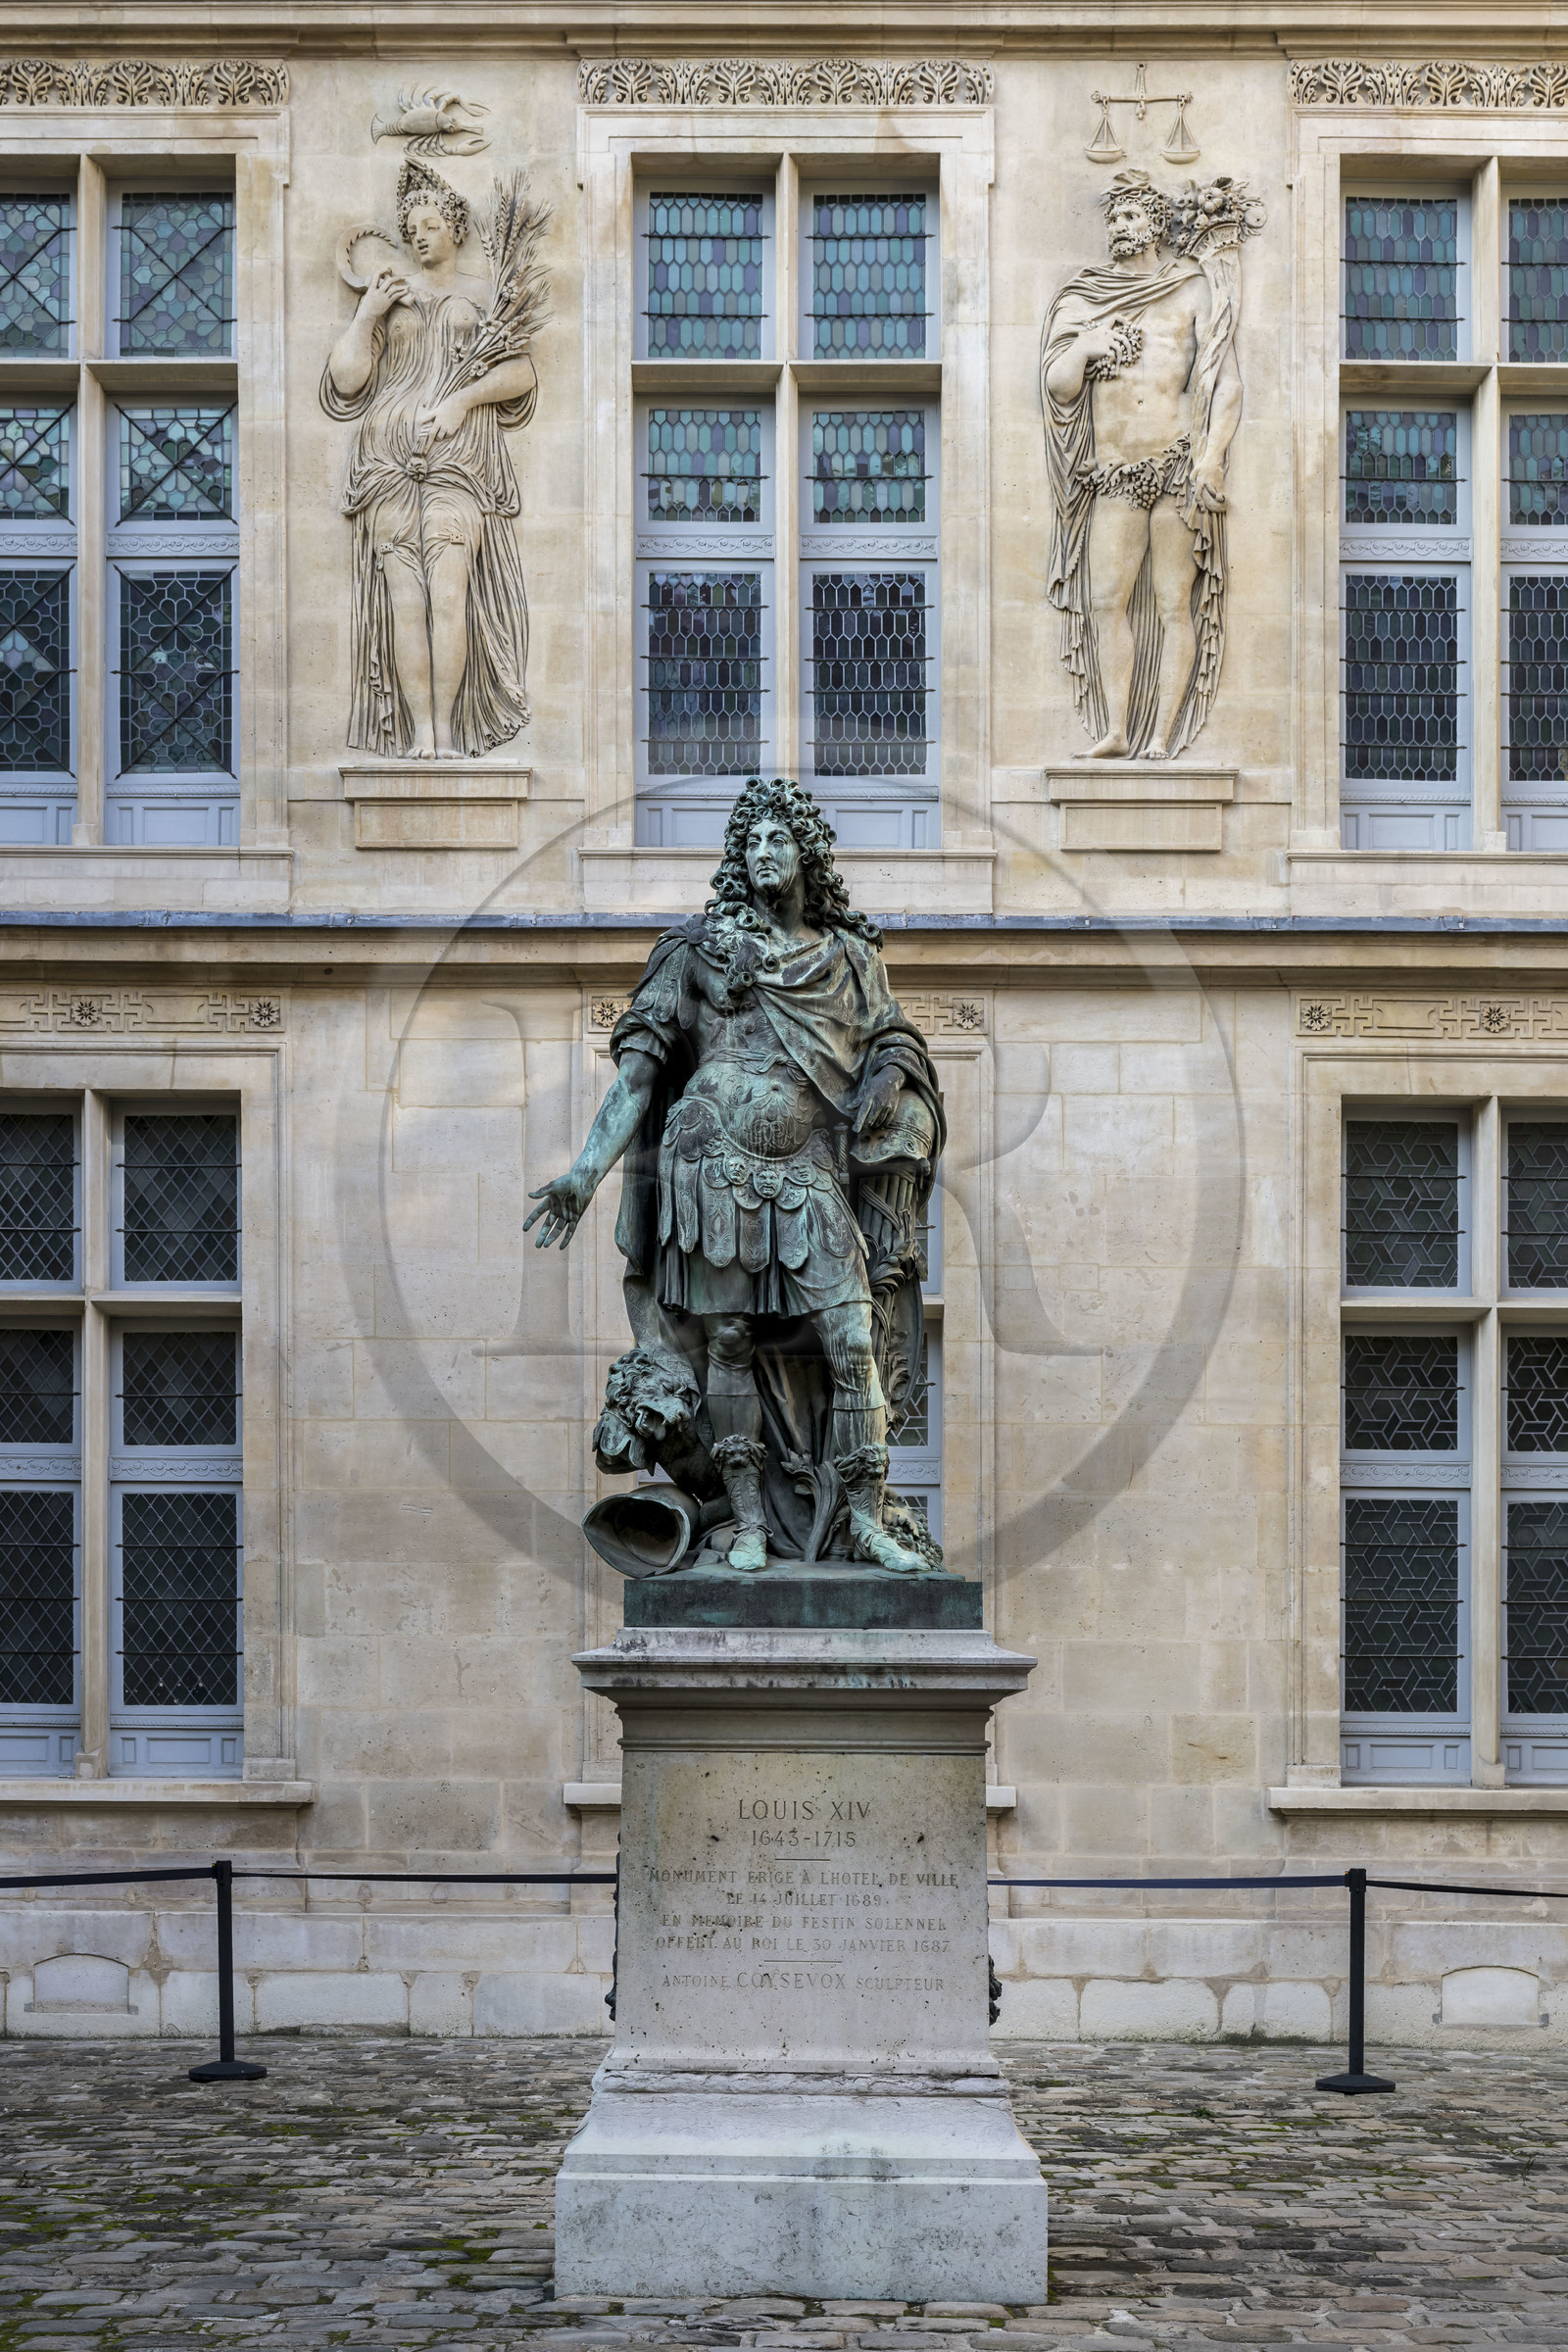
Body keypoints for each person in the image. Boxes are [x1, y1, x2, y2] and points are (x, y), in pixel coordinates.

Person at [525, 778, 945, 1576]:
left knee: (852, 1338)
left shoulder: (849, 960)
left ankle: (866, 1519)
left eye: (778, 838)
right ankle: (748, 1520)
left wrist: (890, 1077)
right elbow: (639, 1076)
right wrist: (585, 1171)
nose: (762, 850)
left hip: (809, 1169)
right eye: (749, 839)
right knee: (728, 1339)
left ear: (807, 856)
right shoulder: (694, 951)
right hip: (708, 1163)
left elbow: (894, 1041)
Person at [321, 156, 537, 759]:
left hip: (458, 462)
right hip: (387, 463)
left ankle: (447, 730)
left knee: (449, 598)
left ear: (456, 228)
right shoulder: (390, 295)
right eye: (410, 226)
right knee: (404, 603)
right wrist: (368, 312)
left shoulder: (483, 295)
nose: (418, 234)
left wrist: (462, 402)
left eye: (430, 224)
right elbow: (346, 379)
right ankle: (419, 732)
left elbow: (519, 371)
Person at [1041, 168, 1245, 761]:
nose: (1117, 227)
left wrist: (1211, 459)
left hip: (1178, 463)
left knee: (1171, 602)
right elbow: (1057, 387)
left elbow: (1224, 384)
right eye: (1112, 218)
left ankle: (1162, 735)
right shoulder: (1084, 299)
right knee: (1106, 600)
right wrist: (1085, 346)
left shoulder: (1191, 290)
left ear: (1155, 222)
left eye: (1129, 216)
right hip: (1114, 471)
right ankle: (1116, 729)